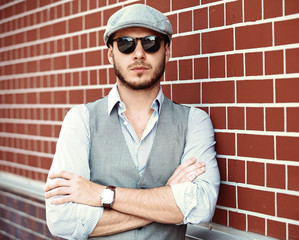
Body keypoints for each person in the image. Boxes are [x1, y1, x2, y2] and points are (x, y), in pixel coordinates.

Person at [44, 4, 220, 240]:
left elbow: (201, 206)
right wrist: (167, 199)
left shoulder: (194, 121)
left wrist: (102, 195)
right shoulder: (81, 120)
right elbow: (61, 220)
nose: (138, 54)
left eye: (150, 43)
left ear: (167, 51)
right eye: (126, 44)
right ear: (110, 54)